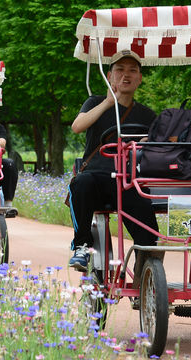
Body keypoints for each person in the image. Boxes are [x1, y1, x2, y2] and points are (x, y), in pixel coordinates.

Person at [68, 50, 159, 270]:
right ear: (109, 76)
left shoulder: (148, 115)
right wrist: (109, 103)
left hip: (130, 182)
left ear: (139, 78)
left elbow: (160, 145)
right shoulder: (95, 102)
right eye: (119, 70)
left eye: (132, 71)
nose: (125, 75)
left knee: (149, 235)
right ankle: (82, 246)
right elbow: (77, 127)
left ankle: (145, 272)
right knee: (81, 183)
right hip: (96, 178)